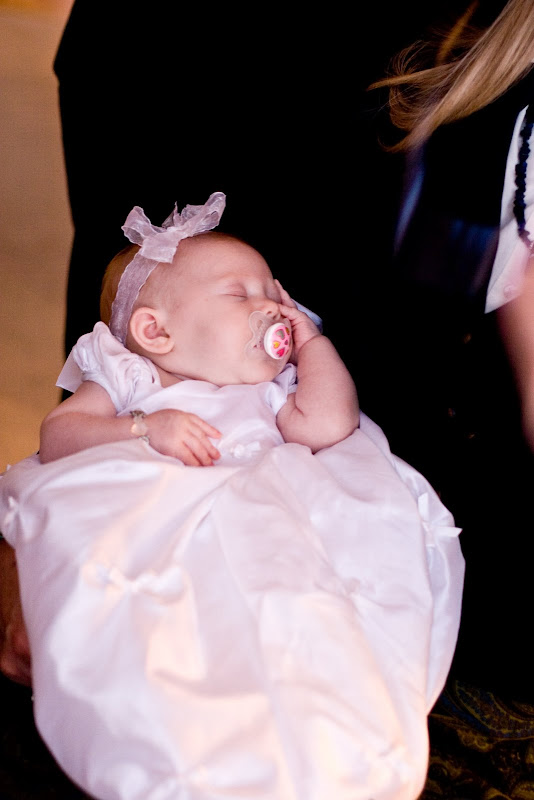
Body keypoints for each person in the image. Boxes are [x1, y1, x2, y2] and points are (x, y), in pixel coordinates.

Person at [0, 193, 463, 799]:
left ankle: (304, 736)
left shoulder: (275, 393)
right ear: (155, 331)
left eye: (273, 291)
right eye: (240, 294)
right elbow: (60, 436)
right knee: (166, 623)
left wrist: (312, 346)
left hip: (264, 531)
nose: (271, 306)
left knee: (296, 619)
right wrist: (144, 428)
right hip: (161, 525)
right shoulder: (132, 379)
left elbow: (329, 425)